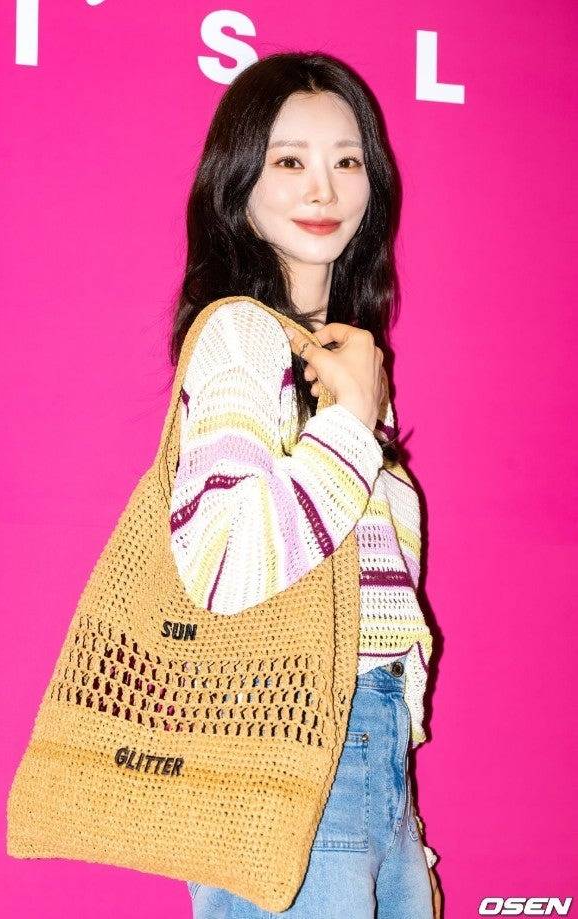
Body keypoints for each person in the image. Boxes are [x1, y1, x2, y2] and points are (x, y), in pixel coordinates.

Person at [166, 51, 440, 919]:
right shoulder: (241, 337)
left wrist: (396, 798)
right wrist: (351, 423)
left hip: (372, 767)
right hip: (287, 751)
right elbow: (224, 565)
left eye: (347, 160)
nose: (323, 186)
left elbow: (377, 600)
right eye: (289, 160)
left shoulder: (345, 360)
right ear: (238, 183)